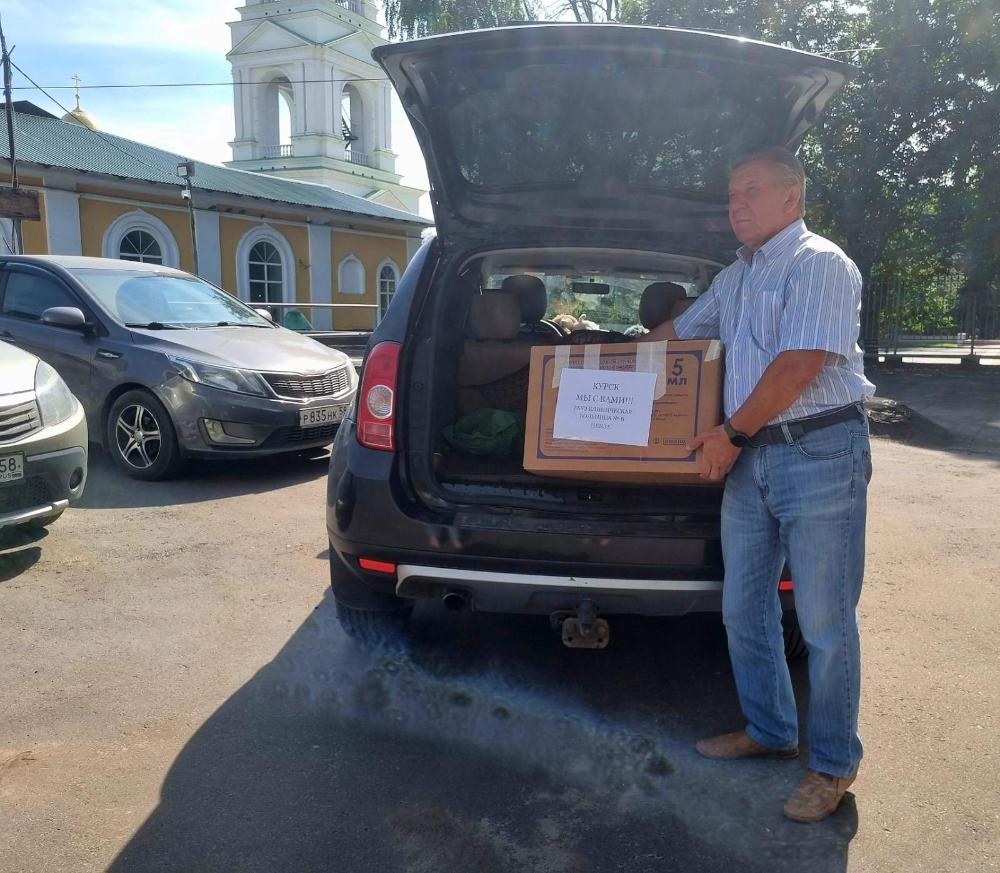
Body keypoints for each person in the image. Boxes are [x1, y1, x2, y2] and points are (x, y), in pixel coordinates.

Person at [644, 146, 875, 823]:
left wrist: (730, 435)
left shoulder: (819, 264)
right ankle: (771, 729)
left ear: (792, 199)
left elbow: (800, 364)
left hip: (820, 451)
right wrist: (586, 366)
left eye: (750, 191)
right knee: (744, 606)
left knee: (825, 622)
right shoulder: (736, 277)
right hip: (753, 458)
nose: (734, 204)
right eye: (730, 194)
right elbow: (678, 335)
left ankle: (833, 763)